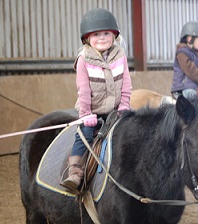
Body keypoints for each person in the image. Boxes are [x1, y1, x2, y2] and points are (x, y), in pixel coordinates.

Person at [61, 8, 132, 192]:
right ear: (87, 39)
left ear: (114, 35)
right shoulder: (84, 60)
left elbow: (126, 83)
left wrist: (124, 104)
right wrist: (86, 115)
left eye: (106, 33)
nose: (102, 37)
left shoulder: (120, 55)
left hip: (117, 109)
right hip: (92, 111)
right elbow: (83, 91)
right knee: (83, 135)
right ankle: (75, 172)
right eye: (96, 34)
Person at [171, 21, 198, 100]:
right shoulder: (182, 53)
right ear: (190, 39)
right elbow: (191, 70)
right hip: (185, 88)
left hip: (196, 87)